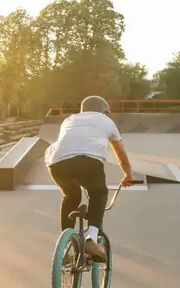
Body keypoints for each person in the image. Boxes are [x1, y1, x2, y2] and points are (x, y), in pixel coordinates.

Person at [45, 95, 134, 262]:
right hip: (89, 162)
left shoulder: (70, 120)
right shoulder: (106, 121)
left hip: (56, 163)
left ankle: (65, 246)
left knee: (70, 197)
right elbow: (121, 154)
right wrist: (128, 175)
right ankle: (91, 239)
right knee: (98, 193)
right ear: (104, 111)